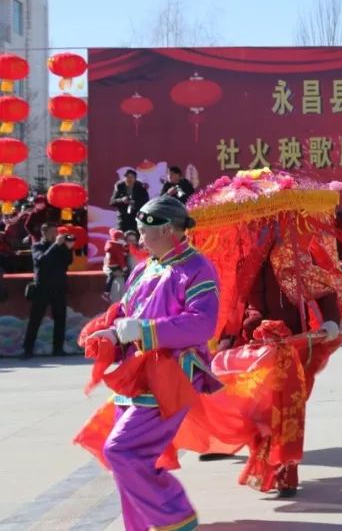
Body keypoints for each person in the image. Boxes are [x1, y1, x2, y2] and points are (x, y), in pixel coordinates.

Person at [183, 169, 342, 498]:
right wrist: (230, 335)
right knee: (257, 406)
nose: (260, 226)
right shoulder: (247, 260)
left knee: (285, 407)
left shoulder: (301, 253)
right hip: (255, 343)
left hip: (295, 342)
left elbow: (324, 288)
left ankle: (283, 470)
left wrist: (330, 321)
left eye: (267, 219)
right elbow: (241, 302)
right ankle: (268, 465)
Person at [79, 195, 221, 531]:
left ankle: (176, 516)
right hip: (136, 374)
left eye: (144, 231)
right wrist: (113, 334)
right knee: (127, 458)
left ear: (170, 230)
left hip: (172, 374)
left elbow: (203, 323)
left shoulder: (196, 267)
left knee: (122, 451)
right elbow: (127, 314)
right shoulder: (144, 269)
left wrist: (145, 330)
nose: (139, 238)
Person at [21, 222, 74, 358]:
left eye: (56, 232)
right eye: (52, 232)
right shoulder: (37, 246)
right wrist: (55, 245)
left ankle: (58, 349)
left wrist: (68, 248)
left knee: (60, 318)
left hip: (59, 288)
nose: (55, 235)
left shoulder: (60, 247)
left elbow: (68, 261)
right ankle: (28, 349)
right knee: (35, 319)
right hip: (42, 288)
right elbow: (43, 260)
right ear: (44, 233)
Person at [102, 228, 129, 302]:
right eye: (129, 240)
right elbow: (106, 265)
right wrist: (112, 273)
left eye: (133, 240)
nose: (130, 242)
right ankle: (106, 293)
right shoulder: (115, 249)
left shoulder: (122, 248)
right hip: (116, 285)